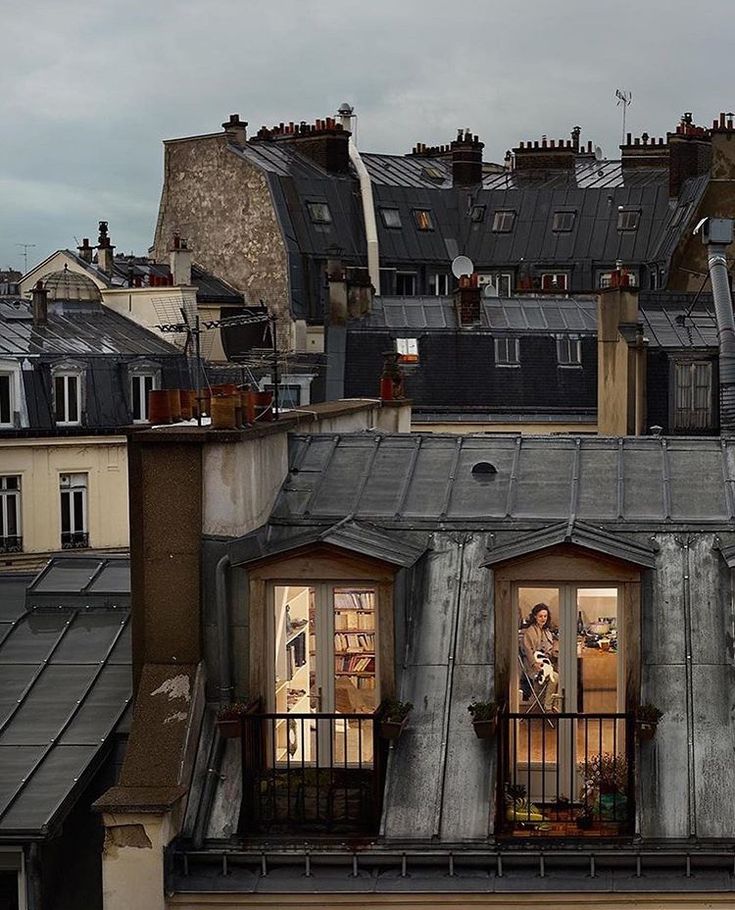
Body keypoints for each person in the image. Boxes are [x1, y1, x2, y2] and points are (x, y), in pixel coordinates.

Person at [521, 603, 560, 710]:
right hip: (535, 666)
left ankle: (554, 704)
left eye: (545, 616)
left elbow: (550, 649)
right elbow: (528, 650)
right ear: (535, 616)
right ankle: (548, 706)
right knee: (555, 677)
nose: (543, 619)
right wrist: (534, 663)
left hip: (546, 663)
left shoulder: (546, 631)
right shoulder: (530, 631)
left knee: (563, 672)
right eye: (540, 616)